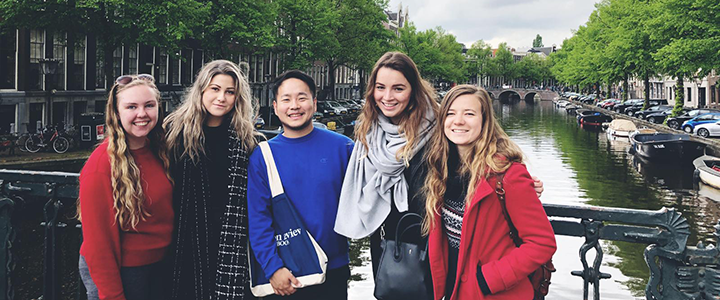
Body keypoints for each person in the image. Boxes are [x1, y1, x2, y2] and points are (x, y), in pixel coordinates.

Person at [334, 52, 544, 275]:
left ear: (413, 90)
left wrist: (514, 179)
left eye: (398, 88)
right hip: (388, 245)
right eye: (380, 87)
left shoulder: (438, 126)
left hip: (431, 247)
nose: (387, 96)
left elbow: (480, 152)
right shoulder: (369, 132)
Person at [424, 85, 556, 300]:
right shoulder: (442, 171)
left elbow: (542, 243)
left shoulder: (507, 175)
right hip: (454, 290)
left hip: (492, 293)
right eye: (450, 113)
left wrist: (488, 280)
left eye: (469, 114)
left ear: (484, 121)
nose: (458, 121)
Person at [247, 70, 353, 299]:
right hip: (285, 274)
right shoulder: (262, 156)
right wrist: (273, 268)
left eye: (302, 98)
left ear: (314, 103)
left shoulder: (343, 148)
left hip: (332, 269)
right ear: (275, 107)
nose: (294, 105)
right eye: (286, 99)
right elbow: (258, 218)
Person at [165, 60, 260, 300]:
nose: (222, 98)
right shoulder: (174, 134)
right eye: (215, 89)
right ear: (202, 91)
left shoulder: (247, 141)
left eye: (230, 92)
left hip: (229, 243)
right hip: (182, 241)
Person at [78, 74, 173, 300]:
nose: (142, 114)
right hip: (123, 272)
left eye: (149, 105)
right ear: (117, 112)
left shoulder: (159, 150)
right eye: (132, 106)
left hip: (158, 266)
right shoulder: (101, 165)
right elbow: (98, 243)